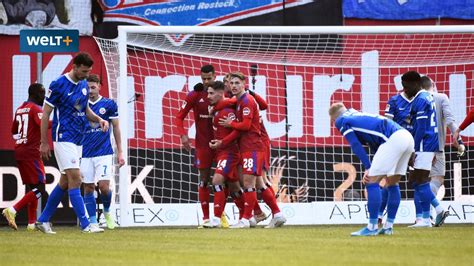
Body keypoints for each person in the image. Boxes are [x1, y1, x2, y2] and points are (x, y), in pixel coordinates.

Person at [36, 52, 109, 234]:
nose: (86, 75)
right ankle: (86, 225)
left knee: (65, 182)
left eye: (88, 71)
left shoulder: (84, 85)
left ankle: (43, 220)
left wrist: (99, 119)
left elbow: (84, 110)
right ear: (74, 66)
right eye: (84, 71)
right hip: (63, 137)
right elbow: (45, 114)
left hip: (79, 139)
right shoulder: (58, 84)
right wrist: (44, 142)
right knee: (76, 178)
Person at [329, 102, 414, 236]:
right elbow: (377, 145)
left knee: (371, 182)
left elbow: (355, 144)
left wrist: (368, 167)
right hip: (406, 136)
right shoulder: (355, 114)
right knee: (392, 183)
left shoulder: (341, 120)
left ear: (333, 119)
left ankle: (372, 227)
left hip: (393, 139)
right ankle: (388, 227)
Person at [219, 72, 286, 229]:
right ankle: (276, 214)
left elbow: (246, 125)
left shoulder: (246, 100)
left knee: (250, 182)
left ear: (244, 84)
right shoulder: (237, 100)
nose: (232, 85)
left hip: (255, 145)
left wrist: (231, 124)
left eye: (235, 82)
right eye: (229, 83)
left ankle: (247, 218)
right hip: (249, 145)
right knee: (257, 182)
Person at [175, 65, 226, 227]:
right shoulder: (195, 95)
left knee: (226, 181)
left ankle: (221, 215)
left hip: (223, 145)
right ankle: (205, 218)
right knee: (204, 180)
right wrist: (183, 136)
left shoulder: (222, 94)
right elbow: (179, 117)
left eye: (209, 78)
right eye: (203, 78)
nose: (205, 81)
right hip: (203, 145)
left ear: (215, 76)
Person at [402, 71, 449, 228]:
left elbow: (421, 128)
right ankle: (426, 218)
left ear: (416, 84)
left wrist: (413, 149)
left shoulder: (421, 100)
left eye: (406, 86)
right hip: (429, 145)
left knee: (418, 181)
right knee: (417, 182)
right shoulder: (427, 98)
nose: (404, 90)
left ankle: (435, 212)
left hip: (423, 146)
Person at [3, 83, 49, 231]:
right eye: (42, 93)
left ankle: (31, 224)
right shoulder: (36, 109)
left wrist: (23, 140)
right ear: (35, 94)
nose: (44, 97)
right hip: (31, 153)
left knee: (33, 188)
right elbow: (44, 124)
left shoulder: (20, 109)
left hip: (20, 151)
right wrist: (62, 123)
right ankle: (13, 210)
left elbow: (14, 131)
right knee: (40, 189)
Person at [81, 74, 125, 230]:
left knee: (104, 187)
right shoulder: (80, 104)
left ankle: (107, 213)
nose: (90, 90)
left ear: (100, 86)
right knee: (88, 188)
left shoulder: (109, 104)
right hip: (84, 153)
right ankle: (93, 221)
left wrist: (120, 152)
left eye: (93, 87)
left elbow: (116, 128)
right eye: (87, 87)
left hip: (104, 152)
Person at [421, 76, 465, 200]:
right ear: (433, 85)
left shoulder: (415, 100)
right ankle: (427, 214)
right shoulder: (441, 98)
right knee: (437, 179)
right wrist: (459, 140)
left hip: (419, 148)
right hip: (436, 146)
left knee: (422, 182)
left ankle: (422, 215)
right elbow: (450, 121)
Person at [205, 81, 241, 228]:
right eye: (208, 93)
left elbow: (237, 131)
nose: (208, 96)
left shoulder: (228, 111)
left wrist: (222, 142)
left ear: (221, 93)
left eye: (211, 93)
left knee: (217, 181)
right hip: (221, 152)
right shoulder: (218, 110)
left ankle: (216, 218)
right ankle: (250, 214)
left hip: (230, 153)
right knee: (234, 188)